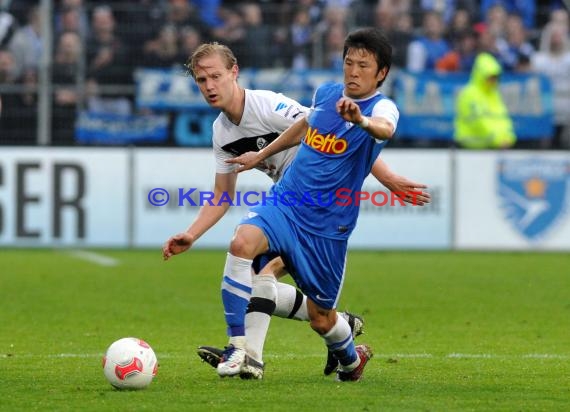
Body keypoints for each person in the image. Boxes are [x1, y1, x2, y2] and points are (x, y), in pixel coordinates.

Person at [162, 42, 430, 379]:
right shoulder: (221, 132)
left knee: (307, 307)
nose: (209, 86)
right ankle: (245, 353)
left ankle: (339, 344)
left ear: (234, 72)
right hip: (286, 202)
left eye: (215, 76)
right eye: (201, 80)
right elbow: (221, 195)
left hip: (323, 213)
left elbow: (338, 131)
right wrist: (192, 234)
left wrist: (387, 177)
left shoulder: (268, 105)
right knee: (246, 252)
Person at [219, 27, 399, 381]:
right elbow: (304, 124)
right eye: (349, 62)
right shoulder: (328, 93)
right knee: (241, 243)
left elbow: (385, 129)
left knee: (321, 318)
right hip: (287, 202)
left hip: (327, 227)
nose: (353, 71)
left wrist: (360, 120)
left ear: (382, 73)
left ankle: (351, 359)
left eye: (363, 65)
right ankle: (238, 347)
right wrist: (262, 155)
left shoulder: (382, 107)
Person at [454, 52, 516, 149]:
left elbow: (503, 119)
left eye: (496, 77)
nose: (494, 81)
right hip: (469, 148)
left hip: (492, 146)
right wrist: (498, 139)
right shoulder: (469, 93)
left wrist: (508, 137)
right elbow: (478, 122)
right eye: (491, 77)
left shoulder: (494, 94)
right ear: (482, 75)